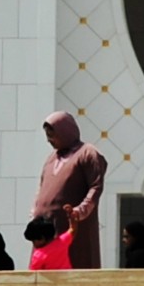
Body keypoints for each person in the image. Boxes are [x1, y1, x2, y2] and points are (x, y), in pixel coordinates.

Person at [31, 110, 106, 269]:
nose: (49, 140)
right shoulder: (52, 158)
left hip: (72, 227)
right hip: (45, 230)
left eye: (52, 135)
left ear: (65, 131)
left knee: (75, 266)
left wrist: (80, 211)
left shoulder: (87, 153)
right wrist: (36, 210)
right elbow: (42, 186)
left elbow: (96, 186)